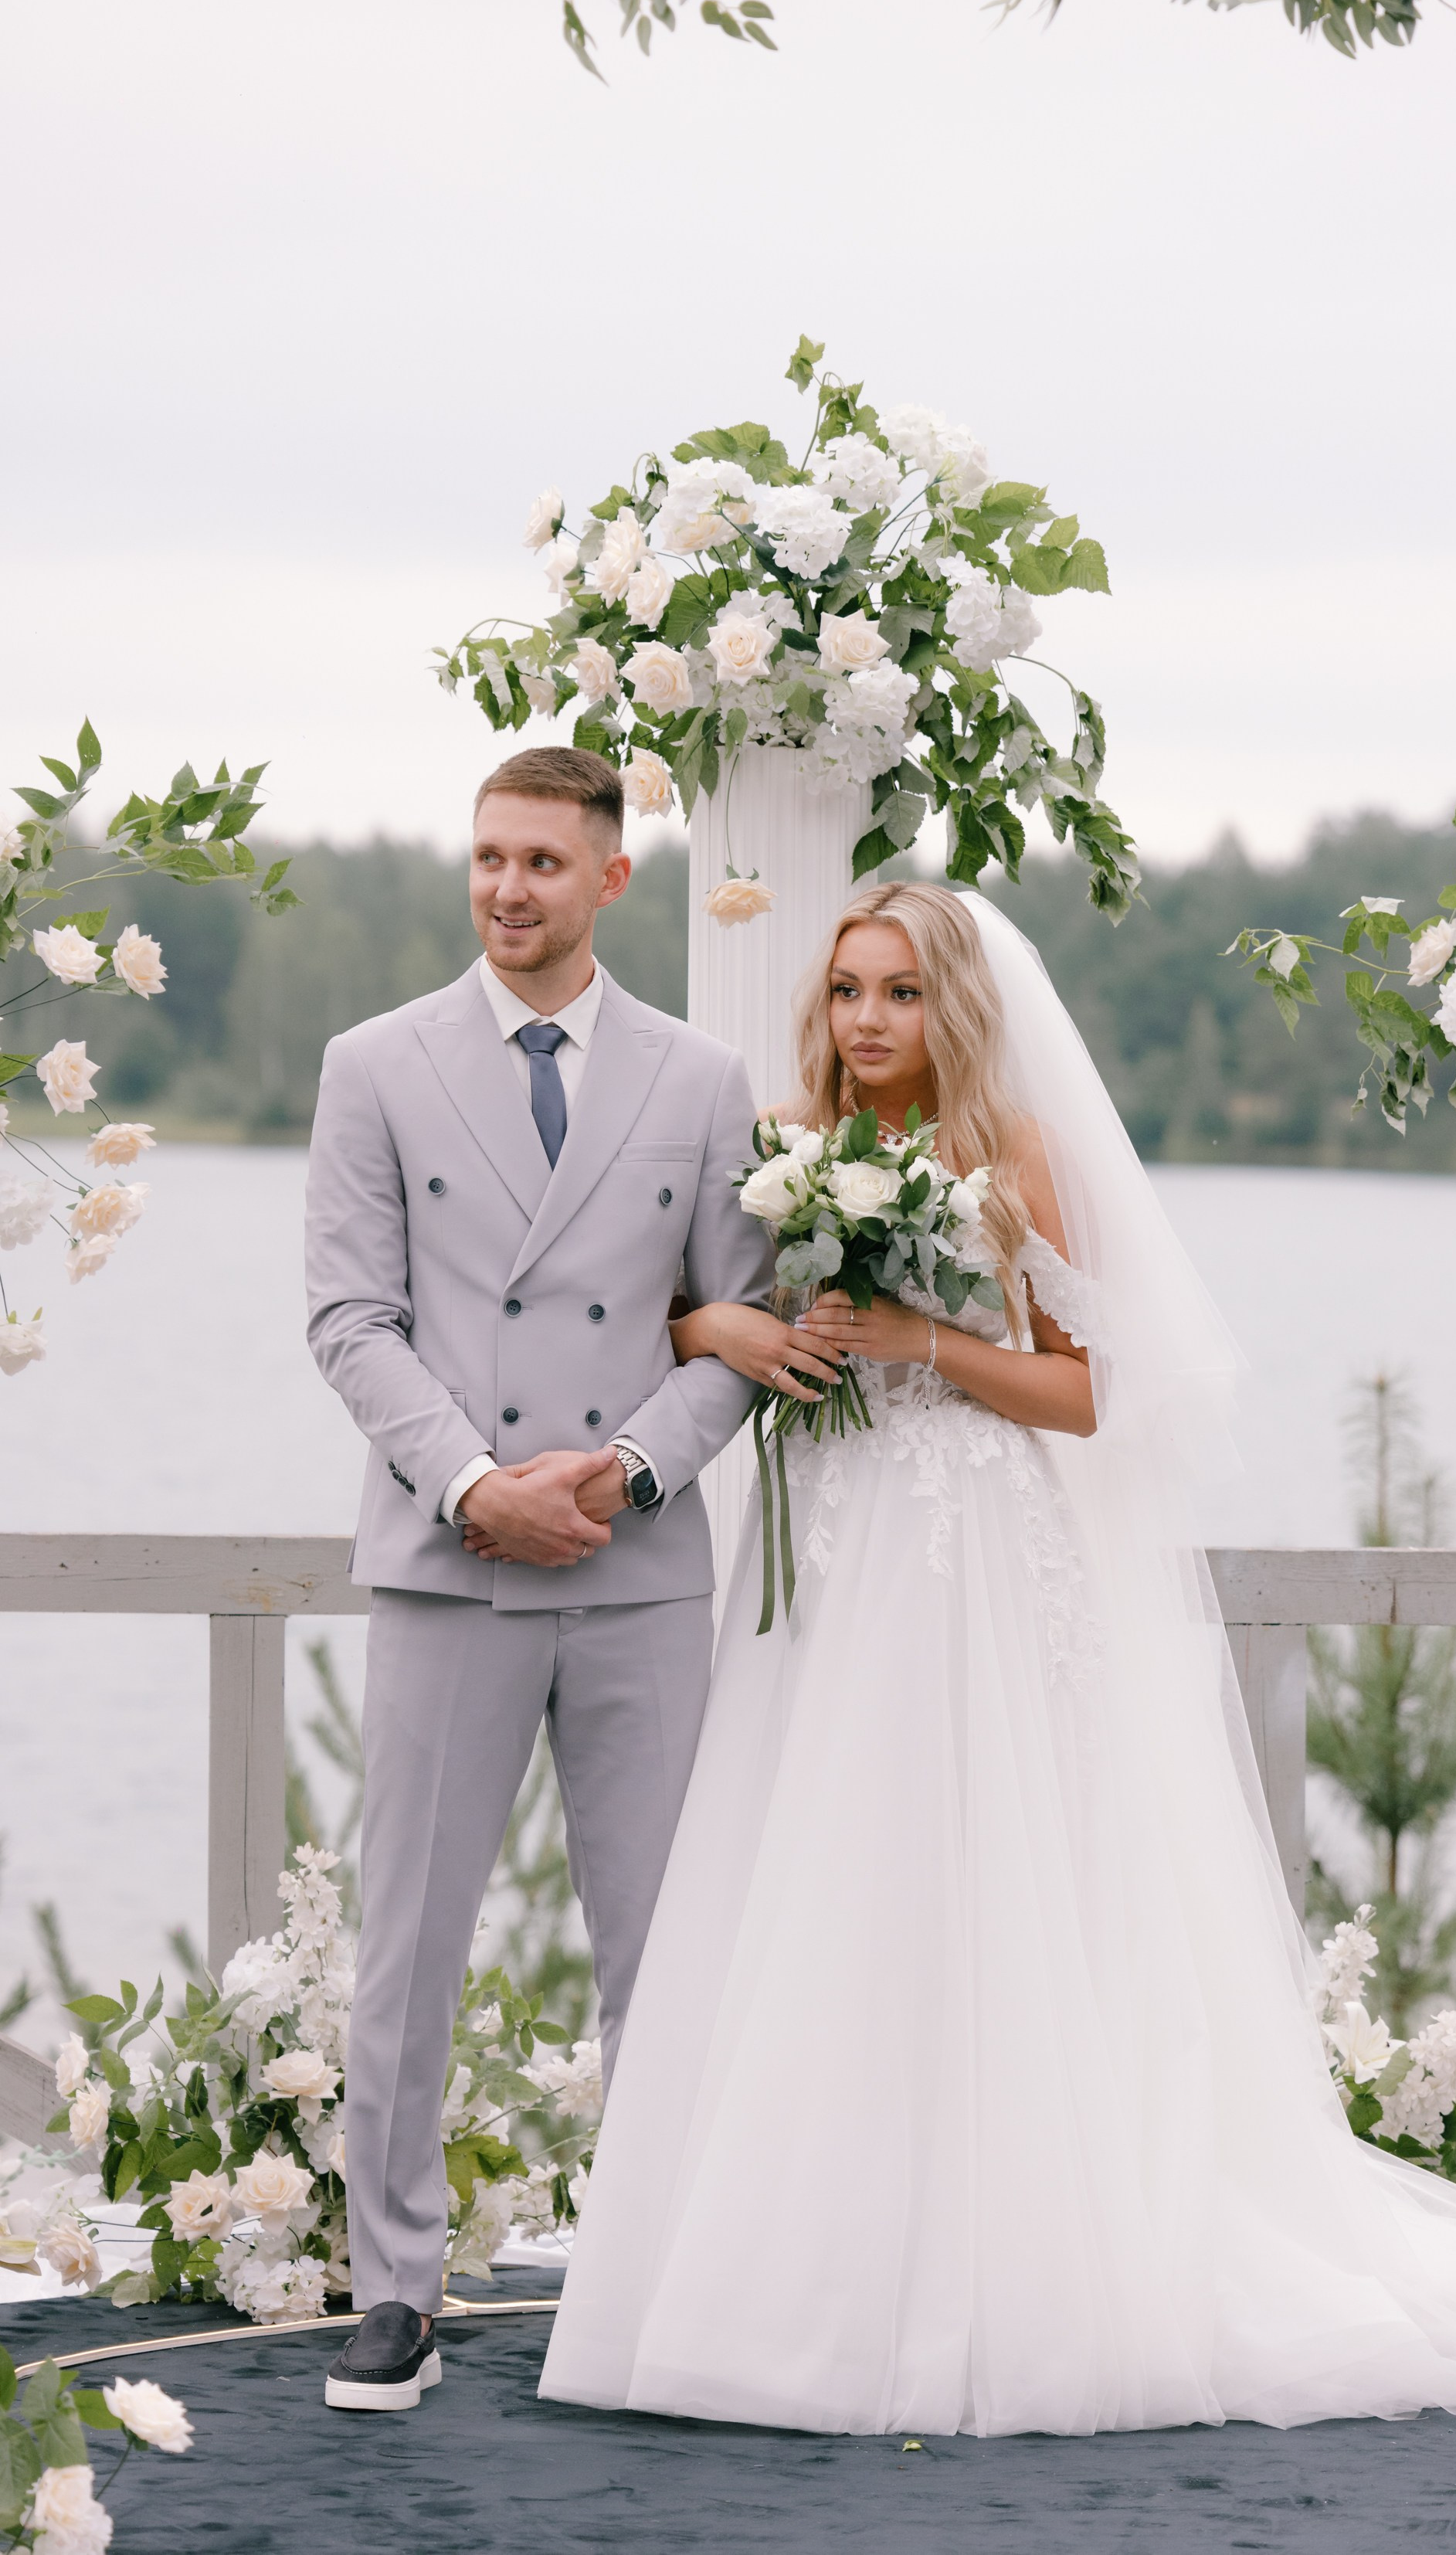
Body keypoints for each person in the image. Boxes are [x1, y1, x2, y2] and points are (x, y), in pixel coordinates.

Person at [524, 881, 1456, 2437]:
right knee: (826, 1879)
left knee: (988, 1878)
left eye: (903, 993)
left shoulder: (1012, 1155)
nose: (869, 1019)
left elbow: (1089, 1393)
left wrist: (922, 1343)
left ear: (955, 1009)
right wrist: (731, 1333)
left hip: (975, 1550)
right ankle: (804, 2266)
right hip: (829, 1559)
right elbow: (668, 1308)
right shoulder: (787, 1140)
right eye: (850, 988)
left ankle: (1018, 2262)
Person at [302, 742, 769, 2412]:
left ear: (610, 879)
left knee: (662, 1944)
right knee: (409, 1944)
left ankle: (652, 2286)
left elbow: (740, 1331)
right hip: (447, 1559)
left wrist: (628, 1471)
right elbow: (349, 1317)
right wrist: (480, 1482)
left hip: (636, 1567)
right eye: (489, 858)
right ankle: (397, 2288)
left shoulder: (704, 1081)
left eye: (544, 865)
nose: (508, 889)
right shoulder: (374, 1065)